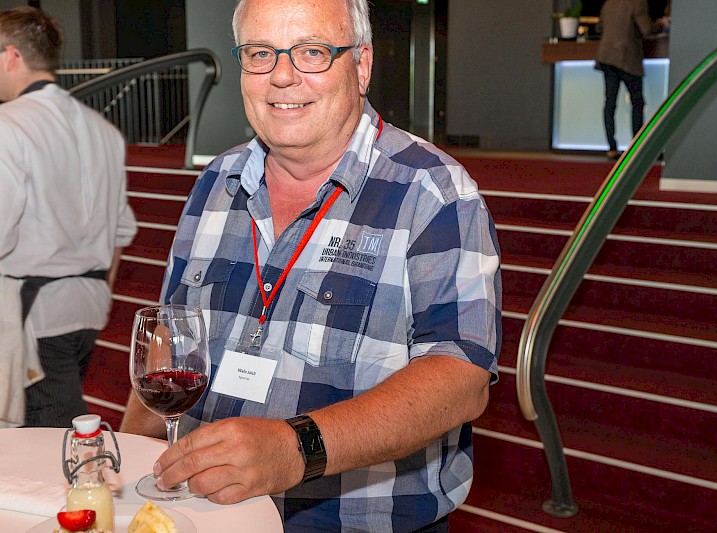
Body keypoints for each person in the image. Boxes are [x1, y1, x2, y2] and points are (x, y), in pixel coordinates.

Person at [119, 0, 501, 530]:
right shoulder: (215, 183)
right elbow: (168, 339)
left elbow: (461, 378)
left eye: (312, 52)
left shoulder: (433, 193)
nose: (281, 76)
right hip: (204, 514)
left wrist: (297, 448)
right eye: (260, 53)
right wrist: (126, 468)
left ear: (361, 65)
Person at [0, 7, 137, 427]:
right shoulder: (103, 130)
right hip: (89, 306)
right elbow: (120, 233)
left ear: (11, 56)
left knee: (45, 437)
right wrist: (99, 297)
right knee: (50, 428)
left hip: (33, 315)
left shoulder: (8, 126)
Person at [594, 0, 662, 159]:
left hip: (606, 56)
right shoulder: (637, 2)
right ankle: (636, 147)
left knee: (610, 103)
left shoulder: (608, 3)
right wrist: (660, 25)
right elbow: (646, 29)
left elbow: (599, 28)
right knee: (637, 103)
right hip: (627, 57)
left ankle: (611, 147)